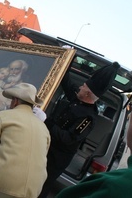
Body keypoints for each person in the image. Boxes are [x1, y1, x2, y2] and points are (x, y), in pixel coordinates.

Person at [56, 73, 132, 197]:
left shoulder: (113, 188)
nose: (130, 114)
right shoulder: (76, 100)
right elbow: (68, 85)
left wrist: (47, 123)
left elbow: (69, 138)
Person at [38, 62, 120, 197]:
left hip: (56, 158)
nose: (80, 87)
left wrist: (46, 121)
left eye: (83, 86)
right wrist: (67, 61)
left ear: (87, 93)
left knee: (41, 185)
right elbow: (66, 82)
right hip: (46, 147)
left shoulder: (88, 118)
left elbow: (69, 138)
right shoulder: (78, 98)